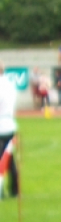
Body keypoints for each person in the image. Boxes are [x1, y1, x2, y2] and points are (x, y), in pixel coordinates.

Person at [0, 68, 19, 198]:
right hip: (10, 124)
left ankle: (0, 190)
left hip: (1, 125)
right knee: (10, 159)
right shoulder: (10, 84)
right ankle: (14, 189)